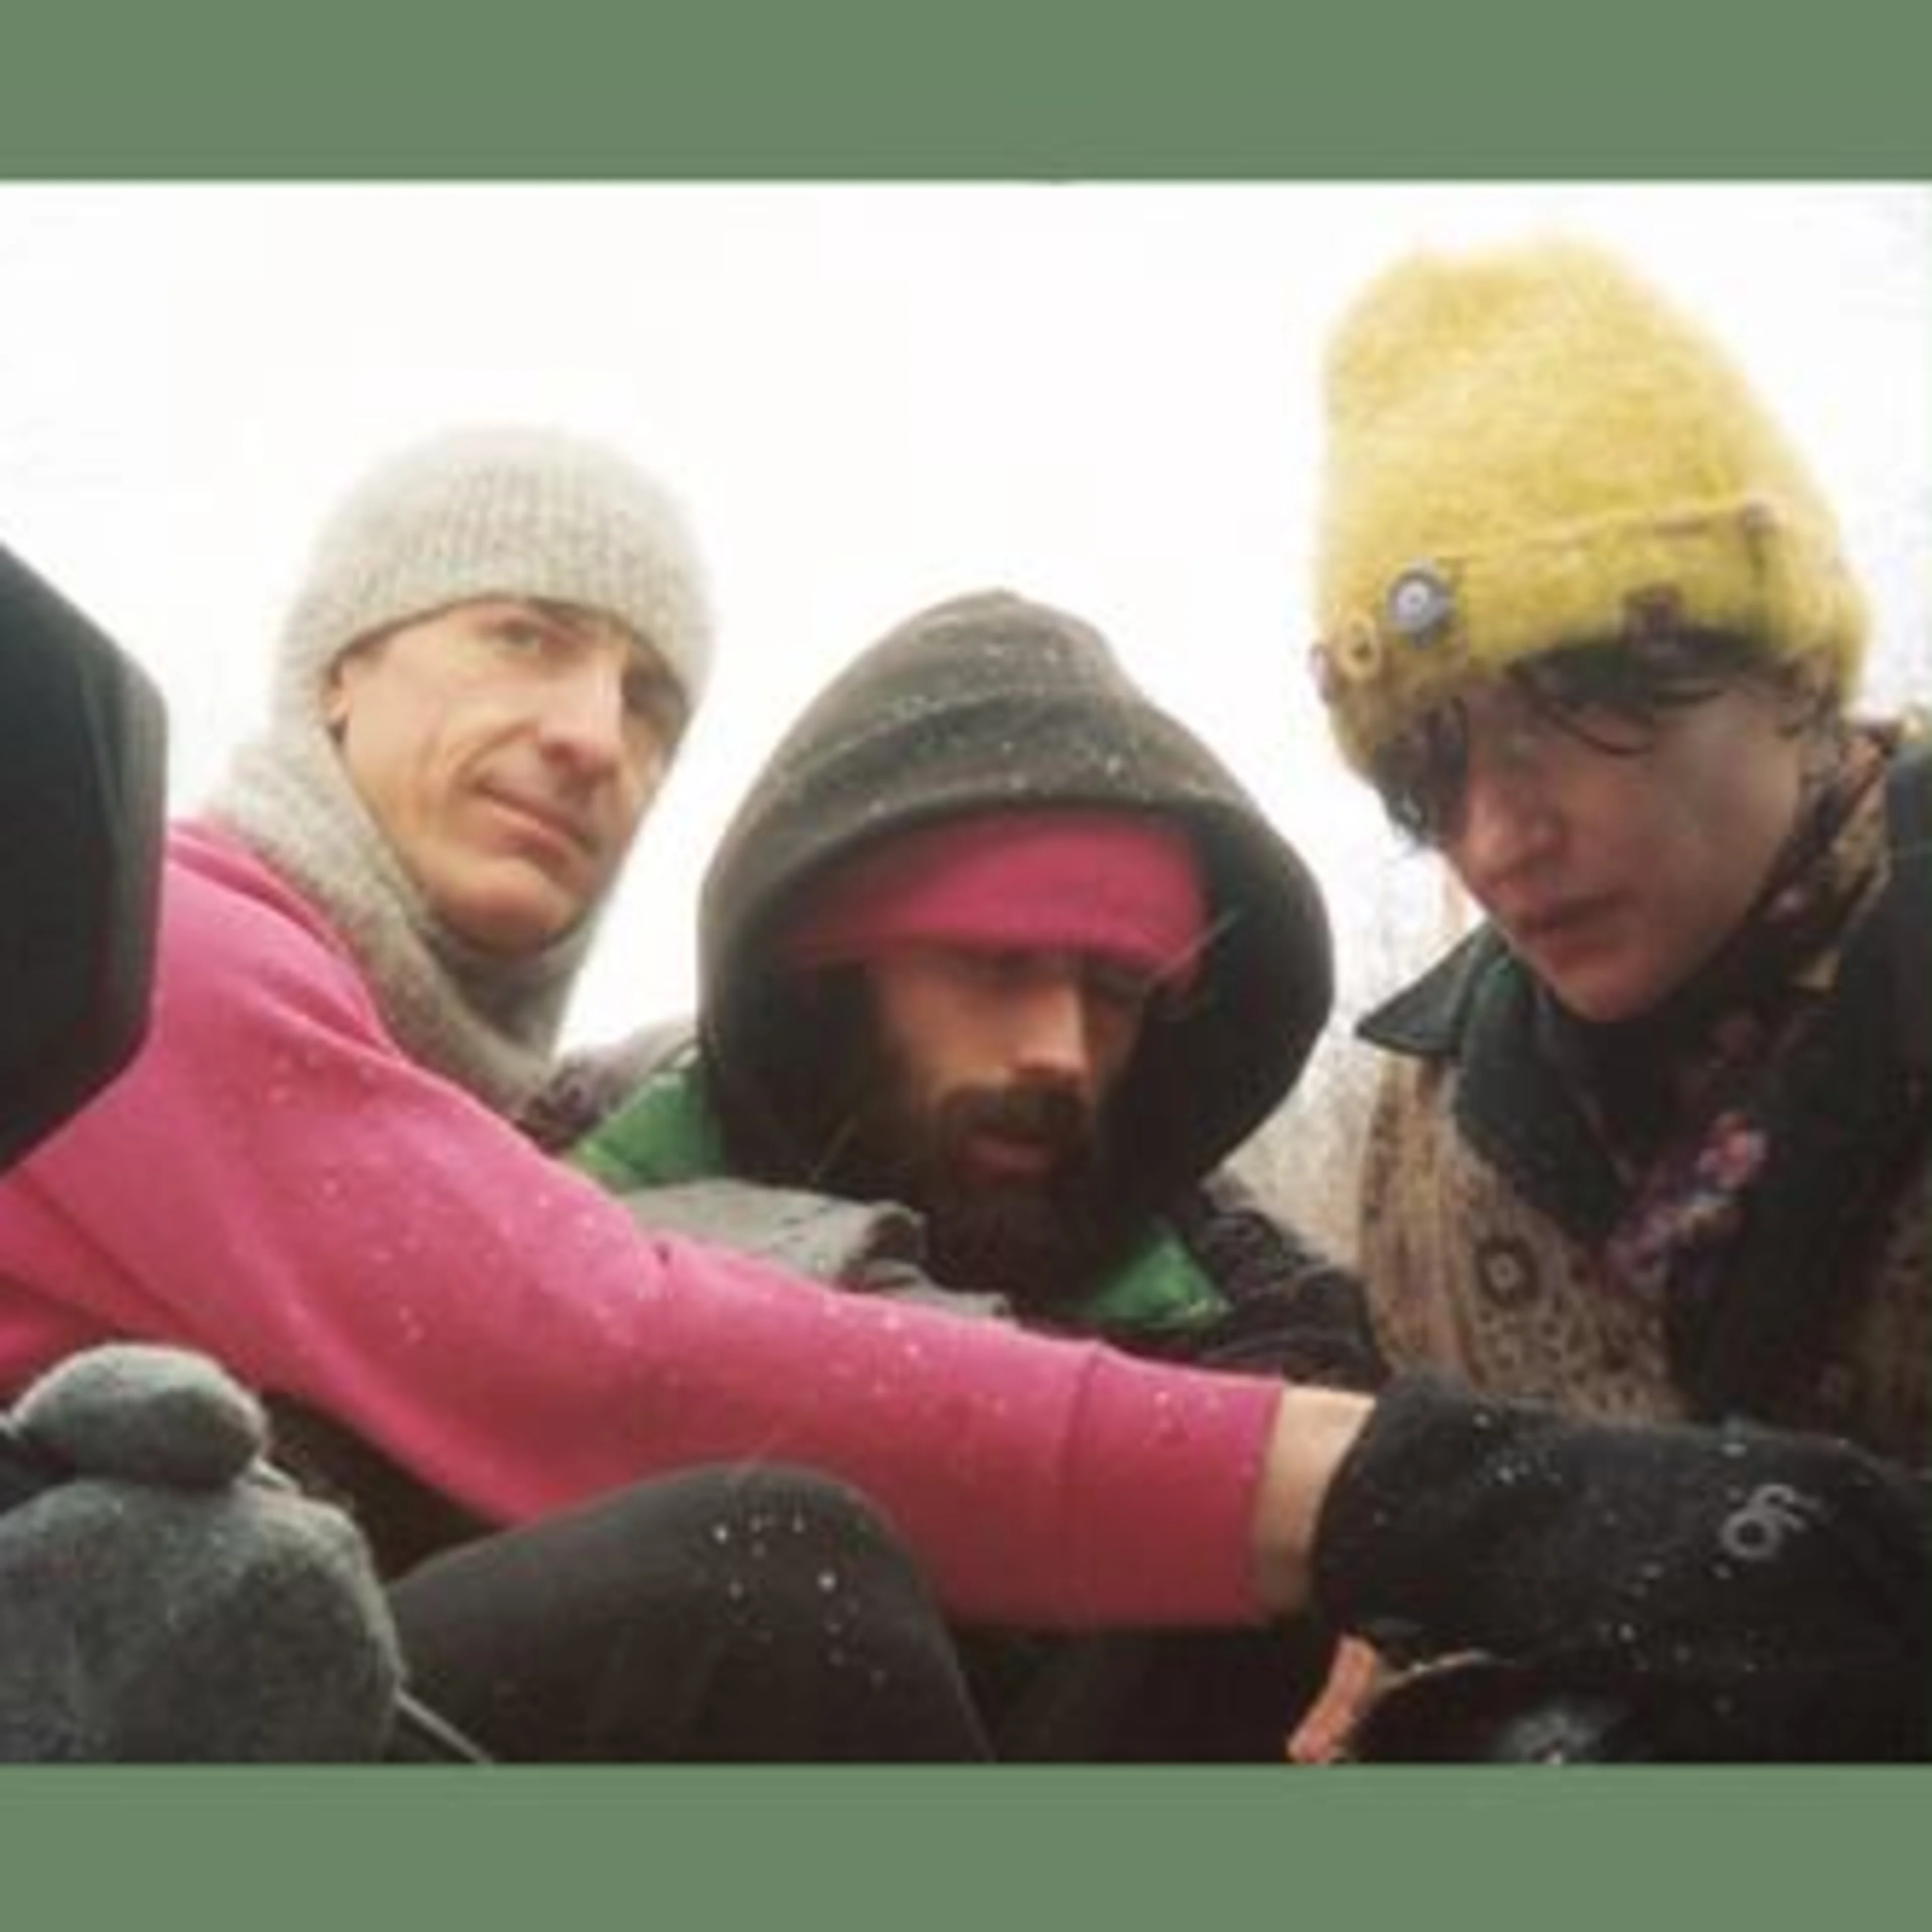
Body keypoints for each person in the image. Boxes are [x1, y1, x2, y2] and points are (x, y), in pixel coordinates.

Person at [0, 425, 1919, 1762]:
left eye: (655, 697)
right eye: (524, 636)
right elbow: (583, 1348)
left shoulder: (1265, 1298)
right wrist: (1429, 1486)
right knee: (754, 1583)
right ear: (335, 674)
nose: (596, 737)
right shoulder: (152, 945)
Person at [542, 585, 1382, 1756]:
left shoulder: (1267, 1340)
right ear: (828, 972)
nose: (1063, 1052)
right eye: (995, 967)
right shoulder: (536, 1191)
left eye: (1117, 991)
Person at [1299, 236, 1930, 1756]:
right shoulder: (1429, 1111)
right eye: (1432, 766)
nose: (1500, 834)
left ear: (1785, 666)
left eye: (1576, 710)